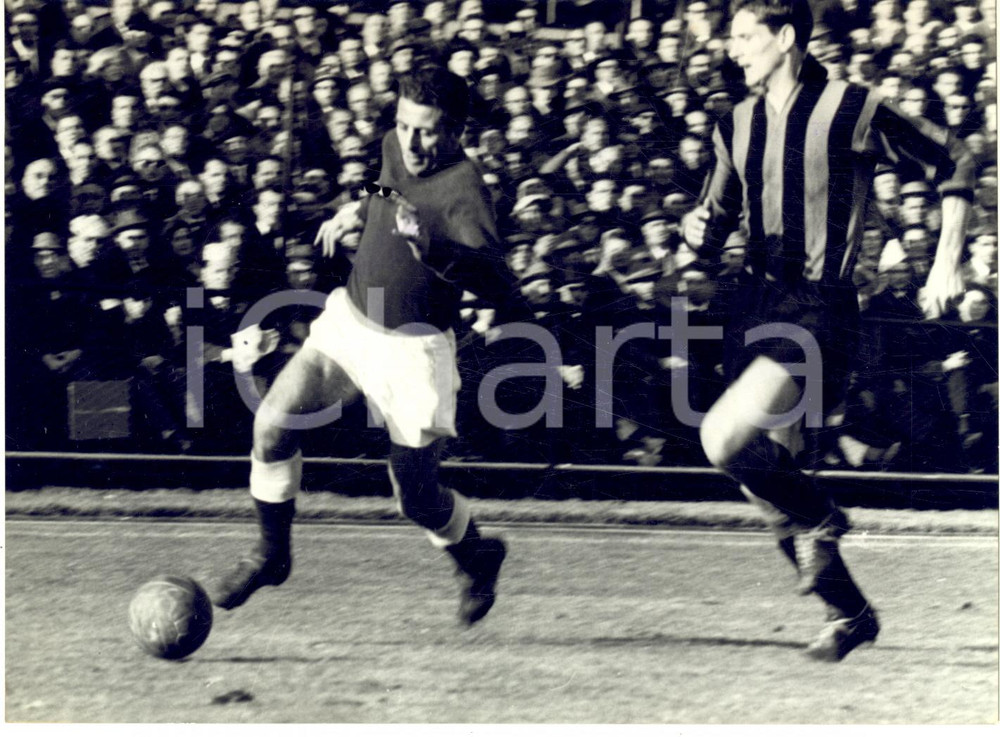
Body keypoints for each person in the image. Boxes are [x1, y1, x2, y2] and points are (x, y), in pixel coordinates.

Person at [681, 0, 973, 662]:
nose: (732, 49)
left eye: (744, 36)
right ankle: (852, 615)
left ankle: (828, 517)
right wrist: (694, 229)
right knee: (768, 493)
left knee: (723, 438)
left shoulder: (851, 107)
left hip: (820, 307)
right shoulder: (735, 123)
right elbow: (711, 224)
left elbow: (954, 158)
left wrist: (947, 258)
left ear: (785, 37)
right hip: (754, 305)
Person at [213, 67, 532, 627]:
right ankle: (271, 555)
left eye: (426, 131)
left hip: (414, 351)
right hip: (351, 323)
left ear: (455, 131)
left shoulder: (466, 189)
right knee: (271, 425)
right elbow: (386, 184)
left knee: (416, 498)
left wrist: (431, 249)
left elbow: (498, 281)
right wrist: (356, 209)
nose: (410, 141)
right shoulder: (392, 145)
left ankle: (478, 557)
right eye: (404, 125)